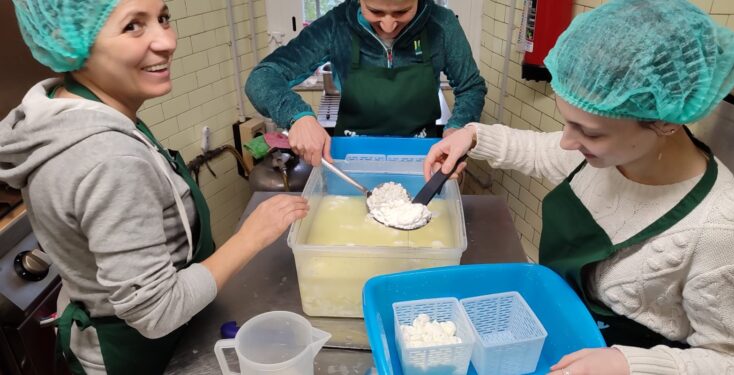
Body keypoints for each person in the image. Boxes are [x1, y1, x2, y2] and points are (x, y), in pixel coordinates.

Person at [423, 0, 734, 374]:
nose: (566, 141)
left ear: (664, 122)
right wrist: (471, 136)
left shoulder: (724, 230)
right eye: (567, 122)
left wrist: (629, 364)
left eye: (589, 132)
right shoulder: (601, 157)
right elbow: (539, 151)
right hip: (555, 339)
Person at [0, 1, 309, 374]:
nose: (166, 41)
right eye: (133, 26)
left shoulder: (71, 110)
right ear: (70, 41)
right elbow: (155, 312)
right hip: (136, 357)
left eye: (163, 18)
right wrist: (251, 236)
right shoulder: (108, 158)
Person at [246, 0, 487, 166]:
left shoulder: (442, 25)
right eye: (376, 12)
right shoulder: (336, 26)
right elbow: (262, 77)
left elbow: (470, 87)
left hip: (422, 154)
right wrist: (297, 116)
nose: (389, 25)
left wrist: (457, 128)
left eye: (402, 12)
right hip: (350, 155)